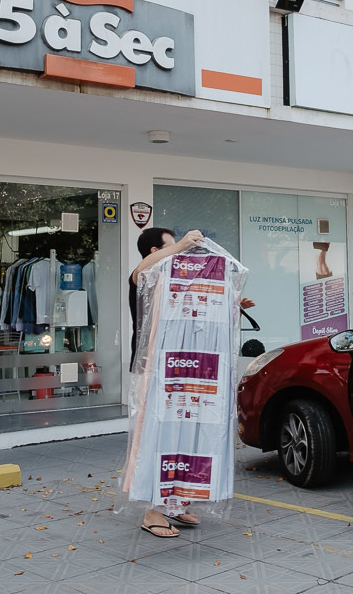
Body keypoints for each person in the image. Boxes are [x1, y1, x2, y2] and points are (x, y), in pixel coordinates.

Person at [129, 227, 253, 538]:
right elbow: (138, 272)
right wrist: (183, 244)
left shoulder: (178, 276)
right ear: (154, 250)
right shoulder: (151, 273)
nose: (185, 251)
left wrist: (232, 305)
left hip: (188, 368)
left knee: (187, 434)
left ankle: (176, 501)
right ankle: (152, 510)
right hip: (160, 369)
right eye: (175, 246)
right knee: (159, 436)